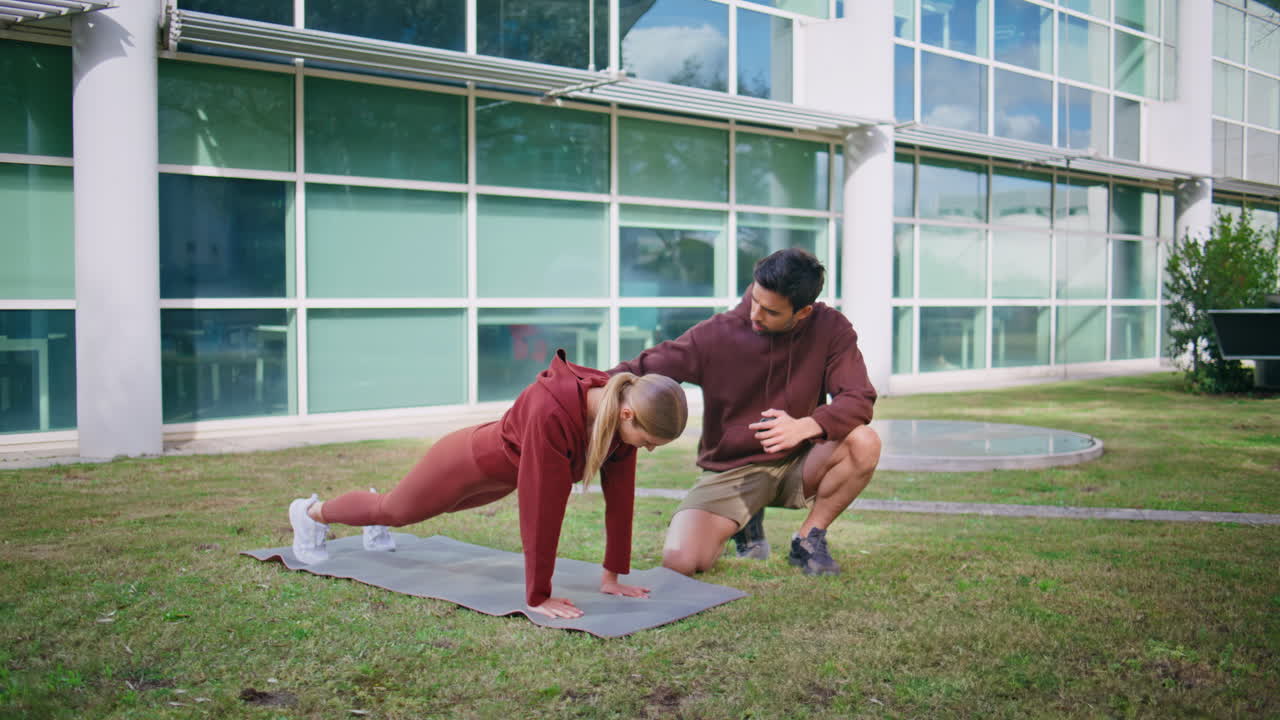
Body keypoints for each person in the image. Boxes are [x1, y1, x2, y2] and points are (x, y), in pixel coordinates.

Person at [288, 349, 688, 620]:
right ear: (628, 414)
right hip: (465, 462)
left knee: (409, 509)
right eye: (650, 441)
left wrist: (612, 577)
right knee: (395, 510)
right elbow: (542, 509)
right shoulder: (553, 412)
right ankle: (310, 513)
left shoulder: (618, 419)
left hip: (499, 479)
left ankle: (372, 517)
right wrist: (538, 595)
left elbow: (621, 498)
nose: (650, 450)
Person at [611, 248, 881, 577]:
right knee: (680, 561)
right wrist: (580, 387)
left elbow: (859, 397)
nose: (755, 314)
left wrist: (808, 425)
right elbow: (640, 368)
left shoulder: (830, 328)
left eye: (770, 311)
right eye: (755, 299)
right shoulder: (717, 333)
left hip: (800, 460)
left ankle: (808, 539)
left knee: (864, 442)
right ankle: (745, 521)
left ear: (803, 312)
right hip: (732, 470)